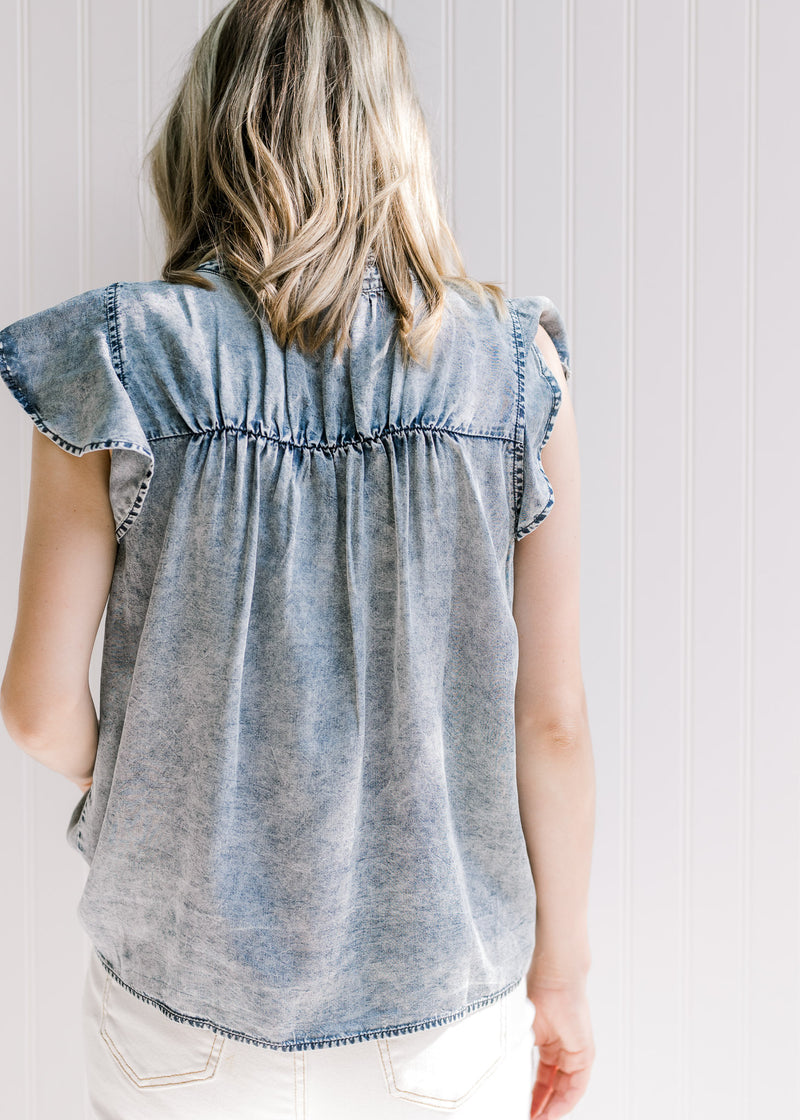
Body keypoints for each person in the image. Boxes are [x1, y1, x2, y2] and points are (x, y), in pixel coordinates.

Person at [0, 0, 596, 1117]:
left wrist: (160, 785)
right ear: (395, 138)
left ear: (204, 136)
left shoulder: (119, 357)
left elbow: (37, 710)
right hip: (443, 1011)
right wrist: (558, 976)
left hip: (180, 1006)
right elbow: (550, 718)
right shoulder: (514, 373)